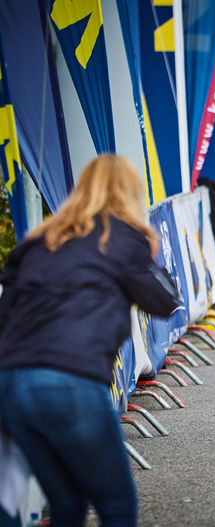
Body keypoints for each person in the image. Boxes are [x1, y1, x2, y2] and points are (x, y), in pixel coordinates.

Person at [0, 154, 179, 525]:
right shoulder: (123, 237)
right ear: (131, 194)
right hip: (72, 379)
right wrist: (152, 255)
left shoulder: (38, 240)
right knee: (116, 504)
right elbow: (165, 301)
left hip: (13, 381)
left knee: (67, 505)